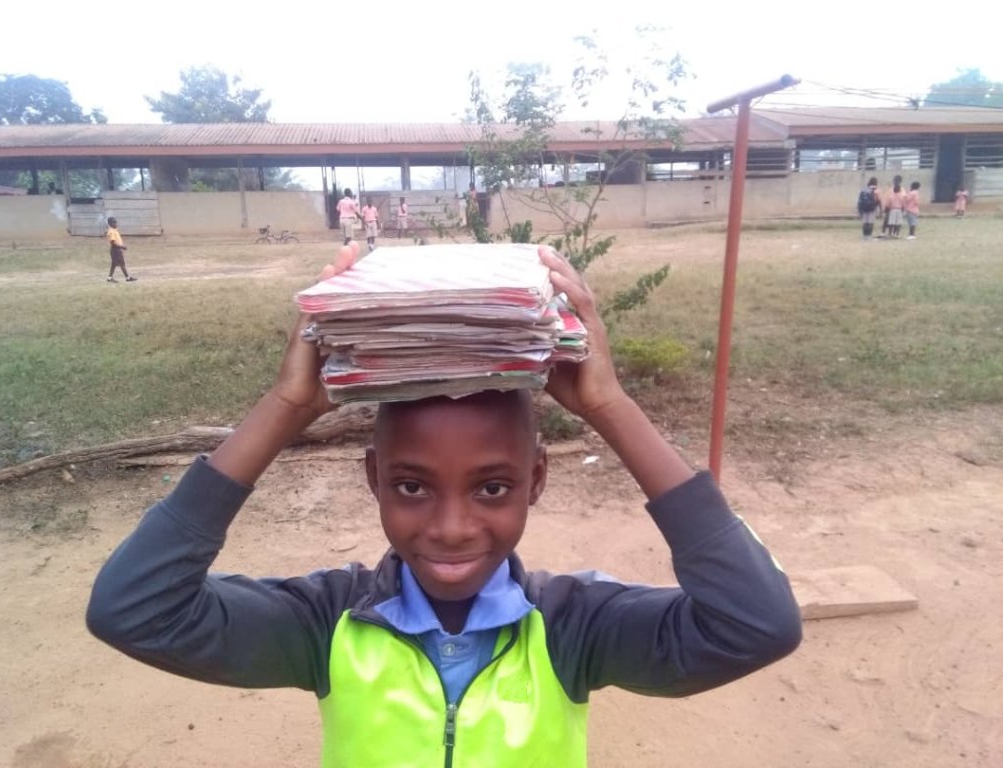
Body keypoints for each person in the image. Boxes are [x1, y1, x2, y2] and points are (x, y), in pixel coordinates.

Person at [86, 245, 801, 766]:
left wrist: (609, 406)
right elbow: (134, 610)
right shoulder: (323, 628)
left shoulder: (574, 630)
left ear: (537, 480)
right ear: (373, 478)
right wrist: (287, 405)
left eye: (492, 487)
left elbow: (756, 624)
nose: (451, 528)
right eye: (411, 486)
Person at [105, 217, 136, 283]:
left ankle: (110, 278)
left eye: (116, 222)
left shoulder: (113, 230)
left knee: (114, 264)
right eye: (114, 222)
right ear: (110, 224)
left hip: (115, 250)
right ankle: (127, 277)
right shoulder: (112, 231)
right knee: (122, 264)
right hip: (116, 250)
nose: (116, 224)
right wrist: (122, 247)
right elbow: (113, 243)